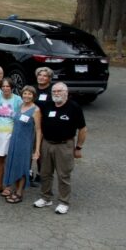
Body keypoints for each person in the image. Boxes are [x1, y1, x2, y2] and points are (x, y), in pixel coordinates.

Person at [33, 82, 86, 214]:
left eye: (59, 91)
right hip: (47, 143)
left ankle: (63, 202)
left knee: (63, 175)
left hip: (64, 145)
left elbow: (83, 129)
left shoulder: (74, 107)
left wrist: (78, 147)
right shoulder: (48, 105)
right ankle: (46, 197)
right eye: (54, 91)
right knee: (45, 173)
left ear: (66, 92)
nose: (56, 93)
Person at [4, 86, 41, 204]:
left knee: (23, 166)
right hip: (14, 141)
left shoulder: (36, 110)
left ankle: (20, 192)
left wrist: (37, 149)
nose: (27, 96)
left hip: (25, 142)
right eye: (25, 93)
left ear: (34, 96)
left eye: (30, 94)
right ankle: (14, 189)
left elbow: (39, 130)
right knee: (14, 165)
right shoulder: (20, 106)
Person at [0, 78, 22, 193]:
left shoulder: (17, 100)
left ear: (12, 88)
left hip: (10, 134)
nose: (6, 88)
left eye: (8, 86)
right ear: (0, 88)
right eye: (4, 86)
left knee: (9, 160)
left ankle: (8, 186)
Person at [31, 66, 55, 186]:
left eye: (45, 76)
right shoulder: (33, 89)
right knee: (29, 148)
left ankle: (41, 174)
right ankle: (28, 172)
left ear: (49, 78)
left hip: (45, 125)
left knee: (40, 151)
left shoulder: (52, 91)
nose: (41, 77)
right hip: (30, 124)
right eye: (40, 75)